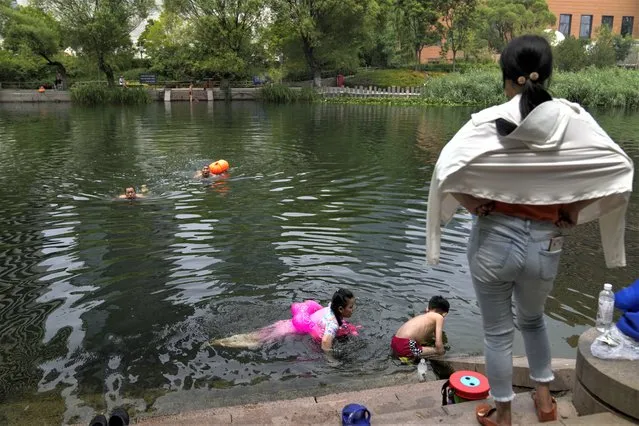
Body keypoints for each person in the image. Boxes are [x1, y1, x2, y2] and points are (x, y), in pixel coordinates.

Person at [427, 35, 633, 426]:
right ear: (548, 73)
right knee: (534, 320)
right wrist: (572, 207)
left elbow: (444, 169)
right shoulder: (574, 121)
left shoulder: (487, 122)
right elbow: (619, 167)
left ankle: (502, 411)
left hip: (493, 241)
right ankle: (544, 400)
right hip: (546, 243)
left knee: (497, 333)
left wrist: (472, 203)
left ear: (507, 77)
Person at [209, 289, 358, 356]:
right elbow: (326, 342)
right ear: (340, 308)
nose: (353, 309)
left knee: (253, 336)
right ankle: (217, 342)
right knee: (254, 342)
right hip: (286, 332)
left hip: (284, 324)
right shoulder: (333, 323)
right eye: (351, 307)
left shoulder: (330, 308)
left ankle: (219, 341)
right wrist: (331, 358)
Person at [391, 296, 449, 363]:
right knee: (439, 351)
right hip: (406, 346)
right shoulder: (439, 317)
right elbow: (438, 344)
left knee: (423, 344)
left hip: (394, 342)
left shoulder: (422, 316)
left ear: (428, 308)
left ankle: (404, 356)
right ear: (444, 313)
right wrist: (441, 352)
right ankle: (408, 359)